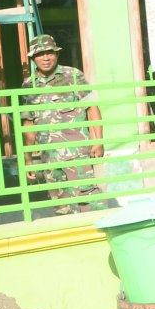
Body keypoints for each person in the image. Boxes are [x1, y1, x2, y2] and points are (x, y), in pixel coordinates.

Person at [20, 34, 106, 215]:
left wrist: (98, 141)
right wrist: (28, 158)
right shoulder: (28, 86)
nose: (45, 58)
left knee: (89, 201)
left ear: (57, 54)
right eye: (40, 54)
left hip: (78, 153)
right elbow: (28, 124)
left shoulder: (73, 76)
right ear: (33, 58)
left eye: (49, 53)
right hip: (50, 158)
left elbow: (92, 108)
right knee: (62, 207)